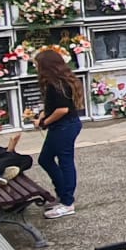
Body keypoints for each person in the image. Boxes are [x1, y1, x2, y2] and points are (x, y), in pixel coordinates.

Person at [32, 47, 83, 217]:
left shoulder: (57, 84)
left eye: (37, 65)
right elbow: (53, 106)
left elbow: (62, 110)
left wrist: (44, 122)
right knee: (45, 159)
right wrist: (42, 115)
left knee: (65, 161)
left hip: (65, 126)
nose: (36, 68)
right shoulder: (55, 82)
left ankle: (67, 203)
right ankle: (62, 194)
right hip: (62, 126)